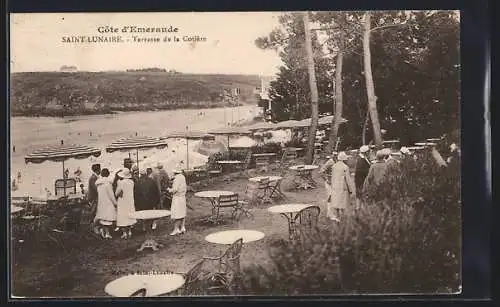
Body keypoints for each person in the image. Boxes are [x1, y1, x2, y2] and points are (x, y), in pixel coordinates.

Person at [329, 152, 355, 221]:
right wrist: (351, 189)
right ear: (344, 159)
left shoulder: (334, 166)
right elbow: (348, 179)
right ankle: (342, 217)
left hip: (335, 186)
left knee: (336, 201)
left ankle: (337, 216)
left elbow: (333, 177)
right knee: (343, 202)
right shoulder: (345, 167)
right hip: (343, 187)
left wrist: (332, 185)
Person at [95, 168, 118, 239]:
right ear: (108, 174)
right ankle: (107, 233)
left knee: (103, 219)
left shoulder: (98, 184)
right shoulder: (108, 184)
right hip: (108, 203)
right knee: (108, 219)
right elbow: (111, 195)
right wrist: (115, 203)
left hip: (102, 202)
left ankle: (104, 231)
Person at [115, 169, 137, 239]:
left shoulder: (121, 183)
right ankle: (130, 231)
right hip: (130, 200)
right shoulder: (131, 182)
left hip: (123, 200)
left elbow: (117, 193)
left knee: (123, 216)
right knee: (130, 214)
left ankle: (124, 233)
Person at [168, 168, 187, 235]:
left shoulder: (177, 179)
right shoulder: (182, 177)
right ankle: (182, 227)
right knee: (182, 212)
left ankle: (176, 229)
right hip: (182, 196)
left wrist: (169, 190)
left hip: (177, 197)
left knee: (177, 213)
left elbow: (175, 189)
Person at [87, 163, 101, 234]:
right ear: (98, 170)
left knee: (95, 212)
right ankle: (93, 227)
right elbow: (96, 189)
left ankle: (94, 227)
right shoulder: (93, 178)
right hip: (93, 198)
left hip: (94, 197)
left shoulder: (94, 177)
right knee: (94, 212)